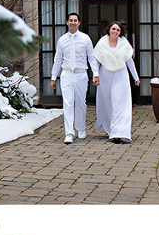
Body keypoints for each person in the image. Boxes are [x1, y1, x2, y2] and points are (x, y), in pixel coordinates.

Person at [50, 12, 100, 144]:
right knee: (68, 103)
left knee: (80, 103)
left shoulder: (85, 39)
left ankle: (81, 129)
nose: (73, 23)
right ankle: (69, 133)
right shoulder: (62, 40)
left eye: (75, 20)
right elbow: (57, 60)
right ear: (67, 23)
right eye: (71, 20)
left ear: (79, 23)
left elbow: (92, 58)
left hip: (81, 74)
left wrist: (96, 74)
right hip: (67, 73)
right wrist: (53, 77)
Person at [93, 21, 140, 144]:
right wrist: (95, 76)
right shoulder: (101, 44)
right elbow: (96, 62)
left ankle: (120, 132)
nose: (115, 31)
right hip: (105, 76)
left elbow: (129, 61)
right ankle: (110, 130)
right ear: (109, 30)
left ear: (120, 32)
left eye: (118, 30)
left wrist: (135, 77)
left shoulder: (124, 44)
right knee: (107, 103)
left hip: (121, 75)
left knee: (120, 103)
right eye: (113, 29)